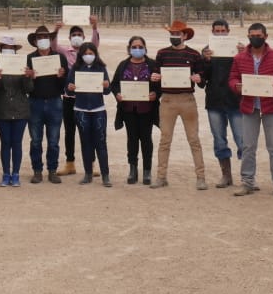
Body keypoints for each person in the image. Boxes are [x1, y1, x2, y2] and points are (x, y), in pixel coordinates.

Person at [230, 23, 273, 198]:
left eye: (258, 35)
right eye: (252, 35)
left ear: (266, 36)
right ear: (248, 36)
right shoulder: (240, 58)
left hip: (271, 106)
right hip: (250, 107)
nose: (255, 38)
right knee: (248, 146)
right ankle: (247, 182)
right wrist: (237, 86)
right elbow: (233, 78)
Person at [152, 20, 208, 190]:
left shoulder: (194, 55)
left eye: (177, 34)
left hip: (187, 100)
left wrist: (199, 78)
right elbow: (156, 76)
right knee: (165, 140)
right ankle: (161, 177)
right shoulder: (162, 54)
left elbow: (201, 81)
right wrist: (155, 78)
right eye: (172, 34)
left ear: (185, 36)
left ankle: (201, 177)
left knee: (194, 140)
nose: (174, 36)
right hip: (168, 100)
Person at [198, 19, 244, 188]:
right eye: (216, 31)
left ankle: (247, 176)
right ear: (212, 31)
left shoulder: (239, 49)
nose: (220, 33)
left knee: (242, 140)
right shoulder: (206, 51)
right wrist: (206, 61)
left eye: (222, 30)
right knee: (219, 140)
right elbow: (203, 79)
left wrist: (243, 54)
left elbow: (247, 71)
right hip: (215, 101)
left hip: (236, 101)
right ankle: (226, 175)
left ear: (228, 31)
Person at [53, 16, 100, 176]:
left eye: (79, 34)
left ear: (84, 37)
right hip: (69, 97)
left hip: (86, 97)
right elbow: (53, 46)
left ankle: (91, 164)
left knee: (88, 131)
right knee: (69, 131)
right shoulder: (65, 51)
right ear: (69, 38)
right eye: (74, 35)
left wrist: (94, 26)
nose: (77, 37)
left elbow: (95, 42)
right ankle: (70, 163)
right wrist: (56, 30)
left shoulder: (89, 52)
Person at [111, 36, 159, 185]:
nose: (137, 49)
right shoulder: (123, 65)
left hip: (147, 109)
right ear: (129, 48)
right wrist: (117, 94)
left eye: (140, 46)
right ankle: (133, 169)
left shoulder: (152, 65)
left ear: (145, 48)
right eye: (134, 46)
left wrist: (156, 94)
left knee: (146, 139)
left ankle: (147, 171)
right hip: (128, 109)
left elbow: (161, 84)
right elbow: (114, 84)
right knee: (131, 139)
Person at [65, 42, 111, 186]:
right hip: (81, 110)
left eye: (91, 53)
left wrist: (106, 85)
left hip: (98, 110)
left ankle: (105, 175)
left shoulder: (101, 68)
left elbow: (107, 91)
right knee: (86, 143)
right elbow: (67, 90)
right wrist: (70, 87)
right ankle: (88, 173)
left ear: (95, 54)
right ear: (81, 55)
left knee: (101, 143)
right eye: (85, 53)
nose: (88, 56)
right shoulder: (76, 68)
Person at [25, 25, 67, 184]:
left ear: (50, 40)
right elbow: (26, 85)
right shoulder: (29, 58)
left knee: (53, 140)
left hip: (55, 101)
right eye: (40, 37)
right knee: (35, 140)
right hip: (35, 102)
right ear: (35, 41)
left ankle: (52, 170)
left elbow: (64, 83)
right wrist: (29, 77)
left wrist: (61, 76)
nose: (43, 40)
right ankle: (37, 170)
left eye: (46, 37)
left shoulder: (60, 58)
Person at [0, 36, 32, 187]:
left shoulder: (23, 64)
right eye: (5, 47)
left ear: (15, 50)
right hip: (2, 109)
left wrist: (27, 77)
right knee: (5, 143)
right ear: (1, 49)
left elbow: (29, 89)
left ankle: (16, 173)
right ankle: (5, 173)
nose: (8, 50)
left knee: (17, 143)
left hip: (21, 109)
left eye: (11, 47)